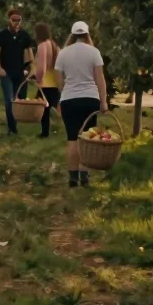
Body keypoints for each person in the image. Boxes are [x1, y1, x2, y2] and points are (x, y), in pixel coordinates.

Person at [54, 22, 107, 187]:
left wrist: (63, 94)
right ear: (87, 34)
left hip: (69, 99)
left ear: (72, 34)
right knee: (86, 139)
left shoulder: (63, 53)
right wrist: (103, 101)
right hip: (90, 99)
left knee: (72, 139)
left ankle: (72, 179)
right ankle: (84, 176)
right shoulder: (94, 52)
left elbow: (58, 79)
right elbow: (100, 79)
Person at [0, 9, 35, 135]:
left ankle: (16, 122)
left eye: (18, 19)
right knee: (9, 100)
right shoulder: (2, 35)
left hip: (21, 72)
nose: (16, 22)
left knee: (20, 100)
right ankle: (12, 129)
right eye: (13, 19)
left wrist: (31, 68)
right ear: (9, 20)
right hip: (6, 73)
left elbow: (30, 54)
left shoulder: (24, 35)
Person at [34, 23, 61, 139]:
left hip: (45, 83)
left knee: (43, 111)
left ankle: (45, 133)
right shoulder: (55, 46)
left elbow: (41, 67)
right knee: (51, 108)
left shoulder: (42, 46)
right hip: (55, 82)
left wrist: (38, 80)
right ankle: (55, 127)